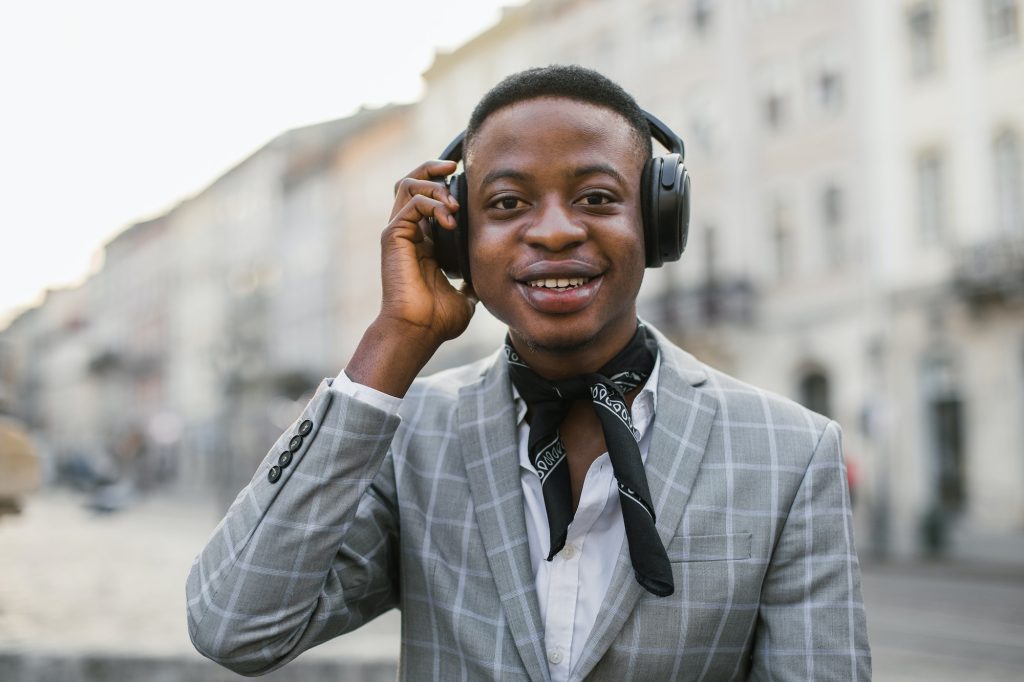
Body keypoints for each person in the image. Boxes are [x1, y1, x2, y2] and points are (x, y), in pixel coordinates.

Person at [186, 65, 871, 680]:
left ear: (658, 221)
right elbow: (235, 626)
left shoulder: (791, 451)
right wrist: (394, 341)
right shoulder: (409, 438)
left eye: (596, 198)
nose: (553, 231)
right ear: (456, 238)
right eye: (508, 204)